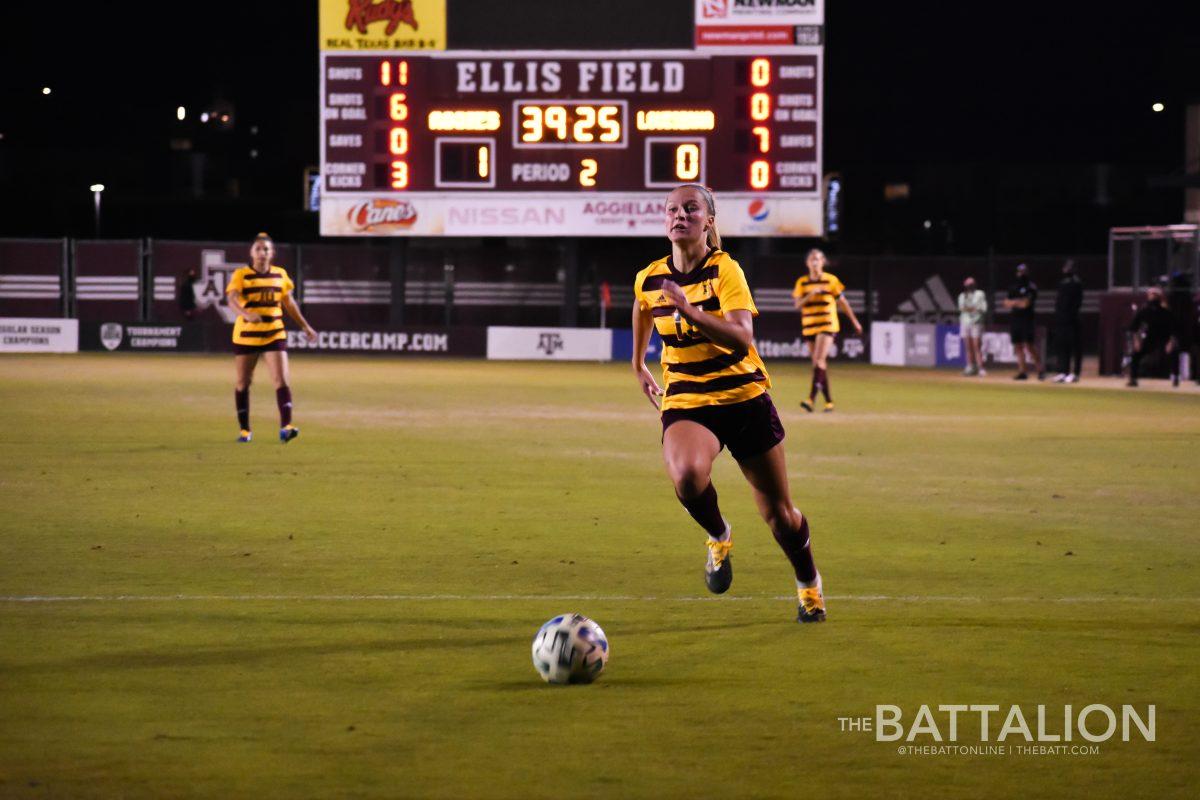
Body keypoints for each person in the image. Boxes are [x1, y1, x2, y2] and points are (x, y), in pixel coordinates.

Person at [632, 184, 826, 623]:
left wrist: (692, 312)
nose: (679, 215)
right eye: (671, 210)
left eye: (690, 208)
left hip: (744, 398)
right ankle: (719, 536)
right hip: (689, 398)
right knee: (686, 476)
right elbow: (642, 307)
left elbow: (742, 339)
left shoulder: (725, 271)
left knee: (780, 515)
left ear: (709, 221)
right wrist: (637, 363)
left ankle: (808, 585)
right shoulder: (649, 277)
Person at [224, 232, 317, 442]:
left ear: (272, 253)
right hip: (246, 336)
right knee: (243, 383)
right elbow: (231, 299)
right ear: (251, 252)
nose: (262, 253)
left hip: (274, 333)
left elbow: (290, 304)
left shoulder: (280, 275)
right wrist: (246, 314)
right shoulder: (241, 275)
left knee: (282, 380)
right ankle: (245, 430)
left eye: (266, 249)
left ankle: (286, 427)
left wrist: (305, 326)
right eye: (258, 248)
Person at [791, 248, 862, 411]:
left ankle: (810, 399)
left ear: (823, 262)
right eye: (812, 259)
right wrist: (810, 295)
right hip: (809, 326)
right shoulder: (802, 282)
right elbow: (797, 304)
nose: (815, 262)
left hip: (827, 324)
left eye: (818, 259)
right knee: (819, 364)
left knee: (818, 360)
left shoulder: (831, 280)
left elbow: (843, 303)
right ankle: (829, 401)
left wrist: (855, 321)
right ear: (807, 263)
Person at [1127, 286, 1176, 388]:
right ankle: (1133, 379)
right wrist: (1136, 341)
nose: (1152, 297)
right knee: (1136, 355)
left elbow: (1174, 329)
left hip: (1164, 338)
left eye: (1155, 295)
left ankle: (1175, 377)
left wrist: (1170, 343)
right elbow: (1134, 327)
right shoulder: (1144, 311)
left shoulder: (1166, 312)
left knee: (1174, 353)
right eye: (1150, 294)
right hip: (1149, 338)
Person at [1003, 263, 1044, 380]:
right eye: (1020, 272)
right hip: (1015, 319)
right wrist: (1018, 302)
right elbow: (1006, 303)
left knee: (1029, 345)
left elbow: (1025, 304)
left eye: (1024, 272)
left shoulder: (1031, 287)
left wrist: (1014, 302)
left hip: (1027, 319)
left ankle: (1040, 370)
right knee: (1018, 346)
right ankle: (1022, 372)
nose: (1021, 274)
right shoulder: (1013, 287)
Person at [1051, 261, 1084, 383]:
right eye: (1065, 267)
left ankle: (1075, 373)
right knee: (1062, 346)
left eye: (1069, 268)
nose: (1066, 270)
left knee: (1074, 347)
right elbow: (1059, 303)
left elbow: (1077, 303)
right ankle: (1062, 372)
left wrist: (1070, 316)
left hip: (1072, 320)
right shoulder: (1062, 283)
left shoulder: (1076, 282)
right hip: (1062, 320)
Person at [957, 276, 987, 376]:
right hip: (965, 322)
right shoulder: (962, 296)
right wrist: (973, 308)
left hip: (976, 323)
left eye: (971, 285)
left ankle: (980, 368)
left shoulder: (980, 294)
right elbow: (962, 308)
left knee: (976, 346)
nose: (969, 287)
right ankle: (970, 367)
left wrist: (971, 309)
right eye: (968, 285)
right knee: (968, 346)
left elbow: (982, 308)